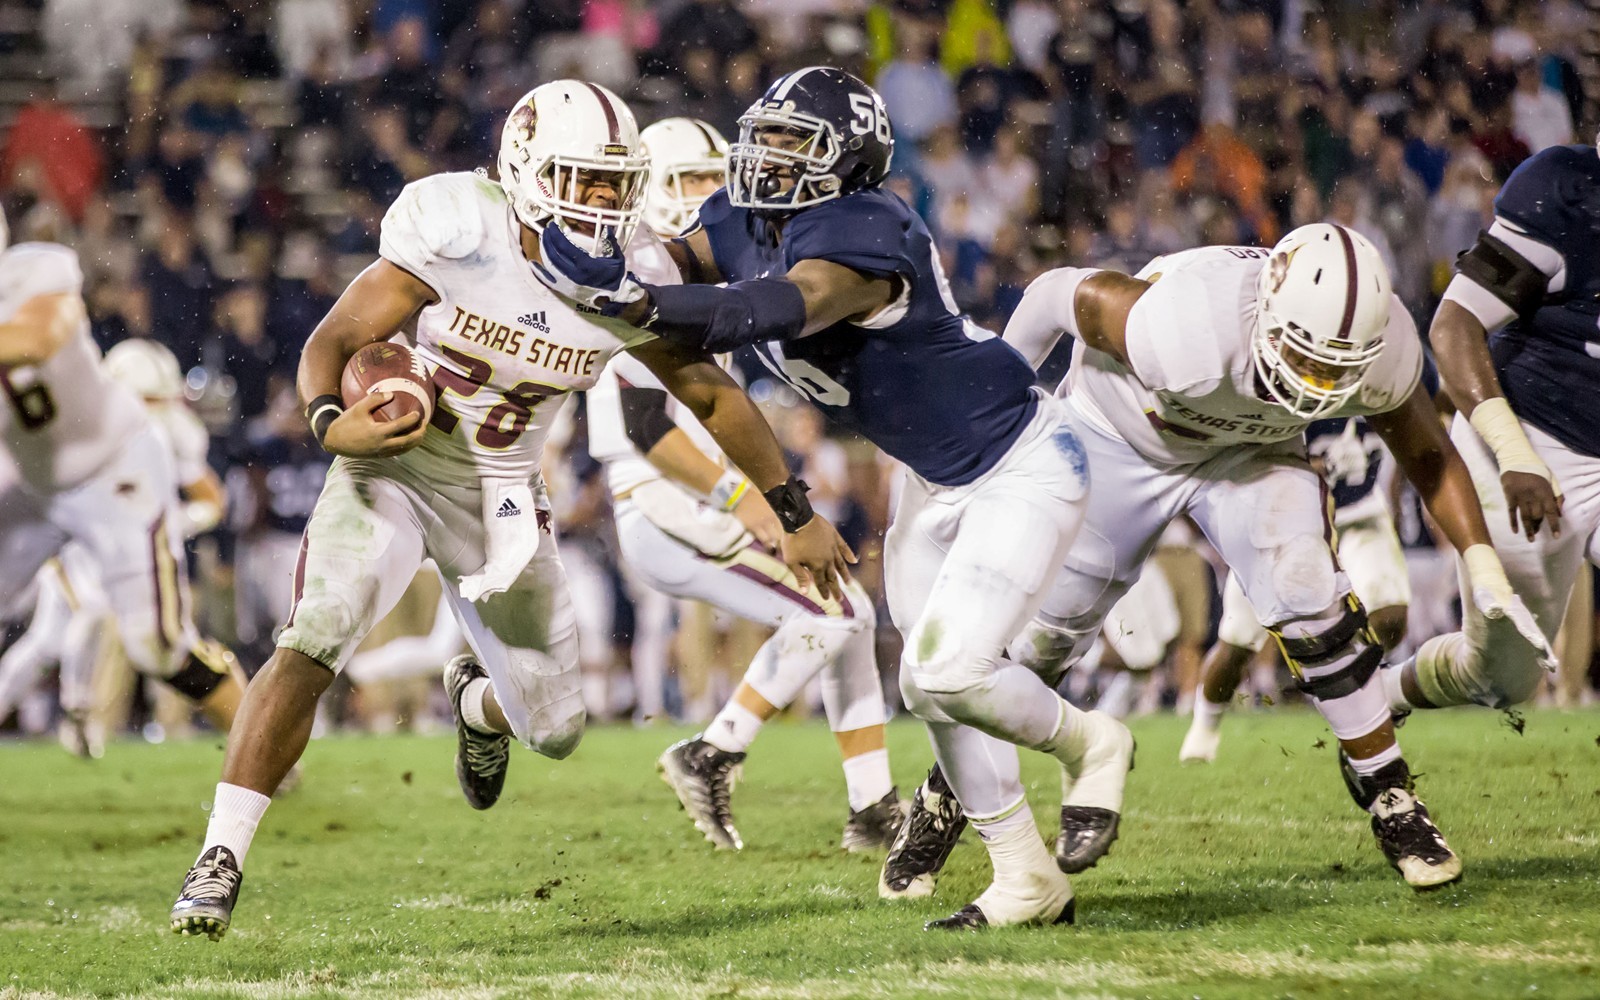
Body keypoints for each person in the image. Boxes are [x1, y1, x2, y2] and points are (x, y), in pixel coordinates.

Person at [167, 79, 852, 941]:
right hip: (403, 466)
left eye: (614, 183)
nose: (603, 202)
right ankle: (221, 855)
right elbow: (335, 340)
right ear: (526, 169)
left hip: (504, 497)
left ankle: (478, 705)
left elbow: (711, 398)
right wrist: (330, 423)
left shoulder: (633, 275)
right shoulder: (461, 227)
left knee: (558, 729)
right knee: (316, 635)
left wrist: (792, 510)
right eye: (582, 180)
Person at [529, 66, 1129, 931]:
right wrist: (614, 258)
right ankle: (1025, 876)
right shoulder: (744, 214)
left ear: (846, 162)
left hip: (1022, 461)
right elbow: (680, 260)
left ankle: (1092, 741)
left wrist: (634, 296)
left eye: (791, 144)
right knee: (929, 692)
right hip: (932, 478)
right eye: (763, 136)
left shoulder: (867, 231)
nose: (765, 158)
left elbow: (767, 307)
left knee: (946, 670)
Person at [962, 225, 1550, 891]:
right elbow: (1049, 297)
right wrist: (995, 419)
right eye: (1305, 358)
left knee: (1305, 585)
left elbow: (1427, 455)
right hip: (1127, 431)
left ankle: (1390, 793)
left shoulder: (1381, 351)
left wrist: (1483, 565)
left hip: (1247, 449)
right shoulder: (1184, 321)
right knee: (1044, 639)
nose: (1316, 382)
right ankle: (948, 792)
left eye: (1335, 369)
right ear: (1267, 311)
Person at [0, 214, 251, 760]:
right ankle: (78, 715)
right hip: (25, 477)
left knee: (157, 646)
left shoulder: (38, 269)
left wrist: (180, 521)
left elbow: (40, 335)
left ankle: (264, 749)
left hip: (110, 470)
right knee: (56, 633)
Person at [1385, 139, 1599, 717]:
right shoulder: (1568, 191)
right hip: (1531, 436)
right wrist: (1514, 452)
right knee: (1502, 678)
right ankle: (1382, 697)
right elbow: (1453, 328)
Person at [1180, 417, 1413, 763]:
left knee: (1391, 614)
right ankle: (1204, 725)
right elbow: (1252, 462)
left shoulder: (1378, 372)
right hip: (1287, 524)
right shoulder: (1285, 387)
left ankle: (1359, 698)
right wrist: (1324, 464)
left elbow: (1428, 405)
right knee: (1238, 644)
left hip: (1358, 515)